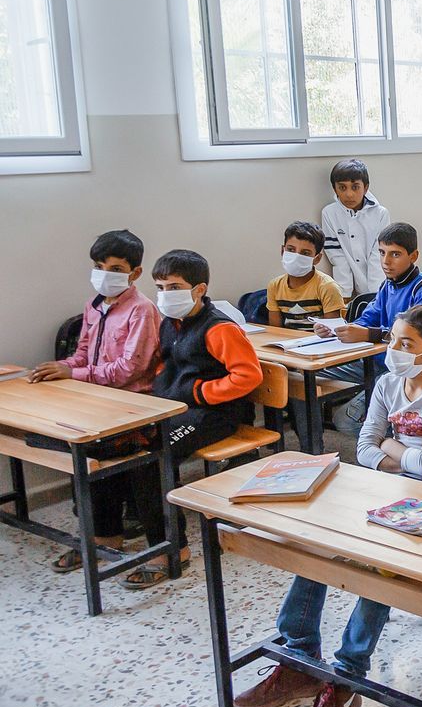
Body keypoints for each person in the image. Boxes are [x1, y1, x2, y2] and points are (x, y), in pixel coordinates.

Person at [233, 305, 422, 707]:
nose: (394, 350)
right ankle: (298, 657)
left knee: (377, 571)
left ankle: (346, 677)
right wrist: (398, 452)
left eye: (407, 344)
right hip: (385, 492)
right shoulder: (387, 383)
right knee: (315, 547)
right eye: (393, 340)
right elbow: (363, 447)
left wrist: (389, 445)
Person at [125, 249, 262, 589]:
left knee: (153, 460)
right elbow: (167, 364)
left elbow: (249, 376)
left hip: (214, 414)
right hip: (176, 409)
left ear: (199, 289)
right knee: (128, 445)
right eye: (160, 287)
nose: (165, 295)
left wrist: (201, 392)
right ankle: (127, 527)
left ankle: (171, 549)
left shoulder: (219, 329)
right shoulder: (170, 324)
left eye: (174, 287)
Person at [29, 230, 161, 574]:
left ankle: (115, 536)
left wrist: (74, 374)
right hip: (97, 399)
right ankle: (105, 537)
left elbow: (129, 370)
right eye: (99, 266)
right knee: (66, 443)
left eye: (115, 268)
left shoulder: (142, 310)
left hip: (133, 406)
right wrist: (61, 367)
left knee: (95, 451)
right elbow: (84, 353)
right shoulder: (94, 305)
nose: (104, 274)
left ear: (135, 272)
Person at [309, 223, 422, 438]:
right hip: (375, 361)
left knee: (345, 421)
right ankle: (313, 447)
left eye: (395, 254)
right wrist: (338, 329)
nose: (386, 261)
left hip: (404, 369)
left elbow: (421, 335)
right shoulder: (386, 285)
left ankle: (399, 438)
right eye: (382, 253)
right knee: (305, 376)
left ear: (413, 256)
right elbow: (366, 319)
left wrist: (370, 334)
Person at [320, 158, 391, 298]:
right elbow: (336, 256)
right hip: (347, 290)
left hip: (379, 286)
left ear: (365, 187)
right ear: (334, 189)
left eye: (355, 187)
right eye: (342, 187)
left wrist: (375, 294)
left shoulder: (381, 214)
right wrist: (344, 293)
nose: (349, 194)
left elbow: (378, 255)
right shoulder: (329, 213)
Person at [266, 221, 345, 330]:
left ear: (317, 259)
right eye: (291, 249)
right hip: (286, 339)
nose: (296, 256)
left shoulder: (327, 287)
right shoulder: (275, 286)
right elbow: (275, 330)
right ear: (282, 251)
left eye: (305, 253)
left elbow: (332, 331)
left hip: (317, 340)